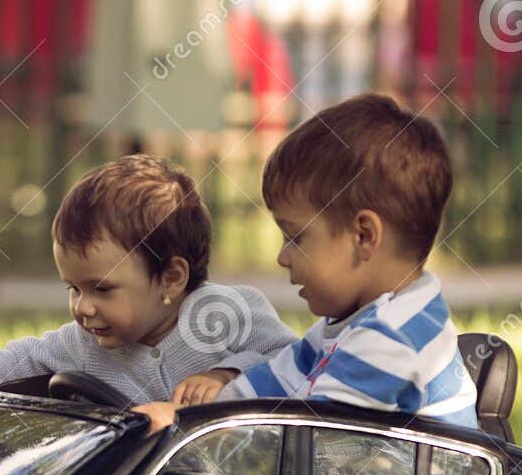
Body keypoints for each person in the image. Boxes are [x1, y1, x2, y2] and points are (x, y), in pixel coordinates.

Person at [133, 93, 479, 433]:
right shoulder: (354, 322)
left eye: (296, 237)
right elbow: (273, 384)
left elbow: (315, 450)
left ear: (363, 236)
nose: (282, 258)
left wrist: (185, 430)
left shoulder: (390, 340)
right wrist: (211, 398)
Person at [0, 155, 297, 428]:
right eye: (73, 289)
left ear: (171, 278)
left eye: (102, 289)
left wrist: (226, 375)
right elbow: (26, 355)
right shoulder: (84, 344)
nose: (83, 307)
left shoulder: (229, 311)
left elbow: (294, 361)